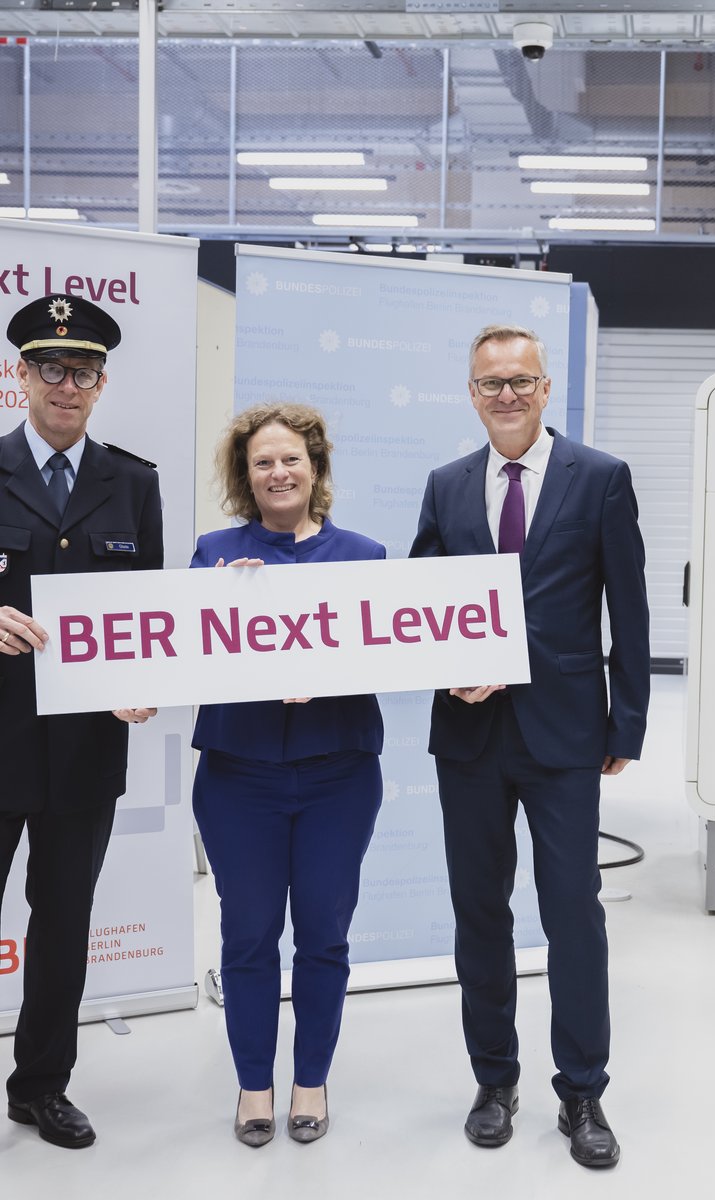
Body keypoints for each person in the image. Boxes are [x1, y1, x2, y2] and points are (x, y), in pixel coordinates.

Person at [410, 323, 650, 1169]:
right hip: (471, 737)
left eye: (521, 381)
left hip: (564, 735)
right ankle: (494, 1080)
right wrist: (447, 671)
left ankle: (582, 1091)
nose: (506, 395)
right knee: (481, 914)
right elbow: (419, 606)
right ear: (471, 393)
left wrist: (627, 723)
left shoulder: (600, 478)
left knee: (572, 915)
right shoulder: (446, 485)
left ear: (546, 389)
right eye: (489, 384)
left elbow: (630, 605)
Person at [191, 403, 384, 1148]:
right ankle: (252, 1086)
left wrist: (329, 677)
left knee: (324, 937)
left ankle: (310, 1079)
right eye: (263, 461)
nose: (278, 472)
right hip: (239, 777)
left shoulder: (364, 555)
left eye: (291, 459)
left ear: (316, 468)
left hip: (338, 774)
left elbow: (387, 654)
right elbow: (182, 650)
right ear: (246, 475)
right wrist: (222, 599)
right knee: (246, 937)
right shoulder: (214, 553)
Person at [0, 294, 162, 1150]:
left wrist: (148, 682)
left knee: (62, 926)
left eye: (85, 372)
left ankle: (41, 1088)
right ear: (21, 373)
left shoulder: (133, 483)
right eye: (51, 368)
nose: (67, 385)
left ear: (102, 385)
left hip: (87, 750)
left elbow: (149, 619)